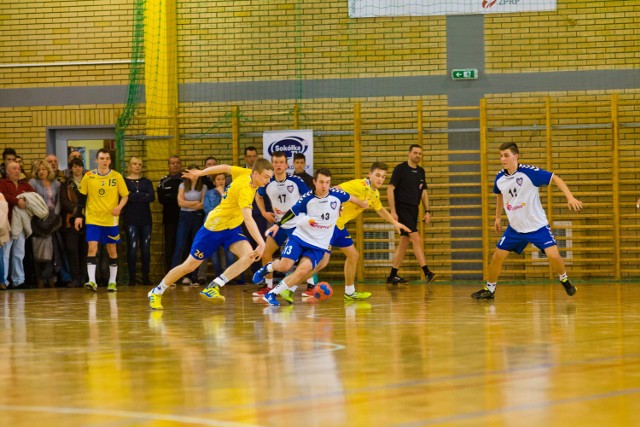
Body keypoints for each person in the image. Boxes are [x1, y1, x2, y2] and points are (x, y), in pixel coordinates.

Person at [147, 159, 274, 310]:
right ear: (256, 174)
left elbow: (225, 167)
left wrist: (201, 172)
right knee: (188, 266)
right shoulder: (244, 189)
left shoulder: (246, 173)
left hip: (231, 228)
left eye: (270, 177)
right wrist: (262, 243)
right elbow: (248, 218)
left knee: (249, 256)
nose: (268, 180)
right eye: (266, 176)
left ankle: (214, 286)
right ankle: (156, 291)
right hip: (213, 228)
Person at [471, 142, 582, 299]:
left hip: (537, 226)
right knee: (497, 256)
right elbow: (500, 195)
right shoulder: (500, 178)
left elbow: (555, 178)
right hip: (515, 228)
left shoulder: (530, 173)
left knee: (554, 256)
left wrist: (570, 197)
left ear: (516, 156)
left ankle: (564, 279)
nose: (503, 159)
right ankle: (490, 289)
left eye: (506, 155)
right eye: (501, 156)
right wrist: (497, 217)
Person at [253, 168, 368, 306]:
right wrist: (278, 224)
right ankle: (269, 268)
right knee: (284, 266)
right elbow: (292, 212)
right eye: (321, 182)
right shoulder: (307, 198)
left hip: (319, 245)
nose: (324, 186)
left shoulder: (337, 195)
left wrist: (363, 205)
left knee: (302, 270)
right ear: (314, 182)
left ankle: (272, 294)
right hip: (301, 237)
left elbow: (352, 198)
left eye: (327, 182)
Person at [308, 162, 412, 301]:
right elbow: (334, 189)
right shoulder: (360, 185)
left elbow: (380, 209)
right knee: (322, 262)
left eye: (383, 177)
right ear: (370, 174)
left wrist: (395, 223)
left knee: (353, 256)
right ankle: (289, 286)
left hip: (339, 226)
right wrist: (334, 207)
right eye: (377, 175)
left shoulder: (374, 193)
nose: (380, 179)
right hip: (329, 225)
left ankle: (349, 292)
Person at [253, 151, 310, 297]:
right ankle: (268, 286)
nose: (278, 165)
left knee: (305, 255)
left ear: (286, 165)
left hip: (296, 225)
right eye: (276, 162)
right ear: (272, 164)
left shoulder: (296, 181)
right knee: (266, 254)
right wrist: (264, 213)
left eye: (281, 162)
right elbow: (258, 196)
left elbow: (310, 198)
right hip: (279, 225)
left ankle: (311, 286)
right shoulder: (268, 182)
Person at [74, 148, 129, 292]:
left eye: (107, 158)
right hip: (92, 218)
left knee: (112, 249)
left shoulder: (117, 177)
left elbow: (125, 196)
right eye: (102, 158)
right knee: (92, 247)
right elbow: (81, 198)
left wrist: (119, 207)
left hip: (110, 219)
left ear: (110, 161)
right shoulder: (89, 176)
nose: (104, 161)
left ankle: (112, 282)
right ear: (96, 160)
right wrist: (79, 216)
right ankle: (92, 281)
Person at [386, 144, 436, 285]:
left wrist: (427, 211)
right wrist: (393, 211)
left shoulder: (421, 172)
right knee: (416, 238)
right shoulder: (400, 169)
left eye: (420, 153)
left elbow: (424, 193)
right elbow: (390, 189)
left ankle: (392, 275)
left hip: (414, 210)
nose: (418, 155)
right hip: (402, 209)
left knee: (404, 242)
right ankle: (427, 272)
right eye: (415, 153)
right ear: (409, 153)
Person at [0, 161, 35, 288]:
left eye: (19, 168)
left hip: (20, 223)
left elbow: (33, 196)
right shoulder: (2, 183)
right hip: (6, 223)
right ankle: (3, 280)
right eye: (14, 168)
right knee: (5, 253)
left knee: (19, 253)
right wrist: (17, 201)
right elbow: (3, 196)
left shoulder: (24, 184)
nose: (17, 171)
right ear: (7, 171)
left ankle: (18, 280)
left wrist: (23, 200)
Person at [171, 163, 207, 285]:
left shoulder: (203, 187)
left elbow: (202, 205)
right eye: (191, 172)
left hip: (196, 217)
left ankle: (194, 277)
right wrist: (195, 203)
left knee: (196, 246)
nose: (194, 175)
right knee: (180, 245)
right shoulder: (182, 185)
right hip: (184, 216)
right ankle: (174, 277)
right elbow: (180, 203)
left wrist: (190, 203)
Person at [29, 160, 62, 288]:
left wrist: (55, 215)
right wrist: (41, 214)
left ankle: (51, 277)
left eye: (44, 169)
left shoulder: (56, 183)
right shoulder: (33, 183)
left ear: (49, 170)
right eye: (39, 170)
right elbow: (31, 200)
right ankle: (40, 278)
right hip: (38, 218)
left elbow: (58, 201)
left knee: (52, 249)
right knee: (39, 249)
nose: (41, 172)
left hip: (53, 219)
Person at [123, 157, 155, 286]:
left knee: (146, 248)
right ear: (129, 166)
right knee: (132, 247)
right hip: (130, 218)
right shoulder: (124, 181)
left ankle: (146, 276)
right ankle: (132, 278)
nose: (137, 166)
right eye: (134, 164)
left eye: (139, 164)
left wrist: (133, 196)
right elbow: (125, 196)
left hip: (145, 218)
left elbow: (151, 197)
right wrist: (142, 196)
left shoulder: (147, 182)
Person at [199, 172, 235, 282]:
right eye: (218, 179)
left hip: (226, 226)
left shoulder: (229, 192)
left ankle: (228, 276)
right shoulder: (209, 193)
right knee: (214, 253)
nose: (220, 181)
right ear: (214, 182)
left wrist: (223, 194)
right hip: (213, 227)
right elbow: (208, 209)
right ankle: (218, 276)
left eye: (222, 179)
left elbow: (231, 208)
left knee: (227, 252)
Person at [60, 157, 87, 288]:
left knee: (85, 250)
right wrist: (78, 211)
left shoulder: (88, 182)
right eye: (75, 166)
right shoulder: (65, 184)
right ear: (71, 168)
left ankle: (84, 278)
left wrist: (84, 211)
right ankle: (75, 278)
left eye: (79, 166)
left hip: (88, 220)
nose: (77, 168)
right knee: (72, 250)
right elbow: (64, 201)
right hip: (70, 221)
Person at [157, 156, 183, 272]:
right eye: (173, 163)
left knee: (184, 245)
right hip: (169, 219)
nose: (175, 165)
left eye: (177, 163)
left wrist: (172, 196)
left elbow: (186, 198)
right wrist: (177, 197)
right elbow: (162, 199)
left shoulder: (185, 180)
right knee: (170, 246)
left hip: (185, 218)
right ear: (168, 165)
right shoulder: (163, 181)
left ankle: (184, 274)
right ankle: (170, 273)